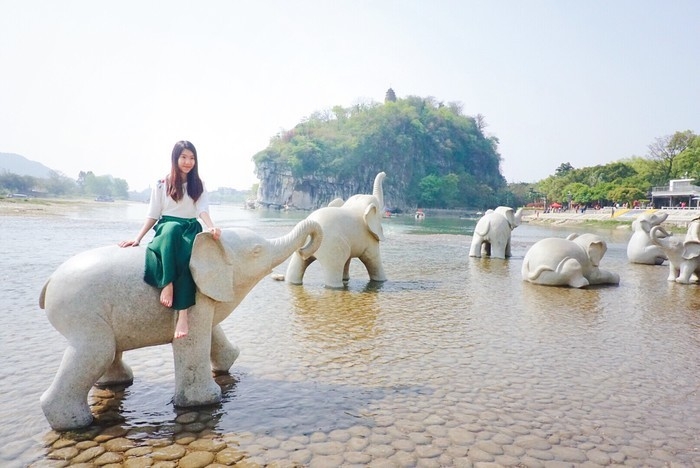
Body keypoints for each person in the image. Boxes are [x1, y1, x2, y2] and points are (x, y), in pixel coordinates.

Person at [119, 140, 221, 339]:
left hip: (190, 228)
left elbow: (202, 210)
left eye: (192, 158)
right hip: (166, 227)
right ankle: (168, 283)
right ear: (175, 158)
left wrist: (211, 227)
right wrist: (137, 238)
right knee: (172, 231)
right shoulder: (161, 184)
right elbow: (153, 214)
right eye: (183, 157)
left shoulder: (198, 185)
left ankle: (182, 315)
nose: (187, 162)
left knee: (185, 252)